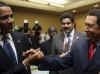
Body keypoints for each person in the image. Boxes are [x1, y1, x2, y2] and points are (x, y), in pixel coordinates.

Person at [24, 9, 100, 74]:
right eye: (85, 25)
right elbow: (61, 62)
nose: (85, 29)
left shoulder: (81, 37)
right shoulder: (79, 45)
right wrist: (41, 59)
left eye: (90, 26)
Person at [0, 2, 33, 74]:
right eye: (5, 18)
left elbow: (29, 65)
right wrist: (24, 63)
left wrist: (32, 56)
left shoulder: (22, 37)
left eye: (11, 16)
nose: (11, 21)